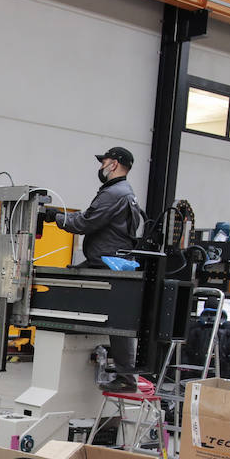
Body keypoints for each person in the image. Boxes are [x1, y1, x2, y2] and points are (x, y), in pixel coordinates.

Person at [42, 147, 146, 393]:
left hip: (106, 264)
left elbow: (86, 222)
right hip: (109, 260)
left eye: (104, 162)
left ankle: (125, 378)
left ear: (115, 164)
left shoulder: (114, 193)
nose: (101, 166)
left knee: (66, 293)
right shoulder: (124, 192)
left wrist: (56, 217)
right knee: (113, 318)